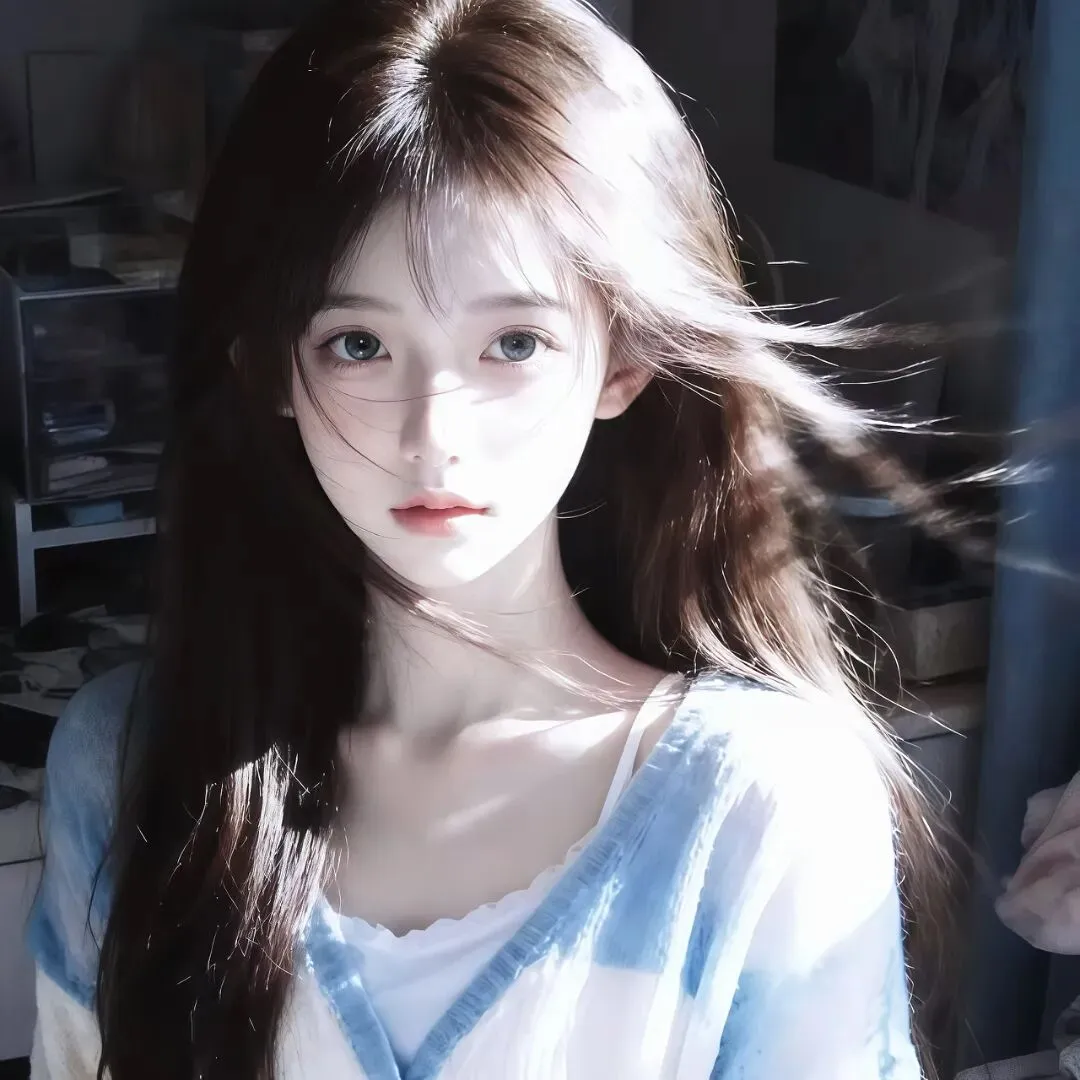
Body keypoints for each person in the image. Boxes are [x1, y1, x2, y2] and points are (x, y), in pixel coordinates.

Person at [27, 0, 945, 1077]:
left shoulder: (764, 808)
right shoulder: (128, 768)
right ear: (270, 367)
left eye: (514, 342)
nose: (435, 433)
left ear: (622, 362)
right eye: (358, 344)